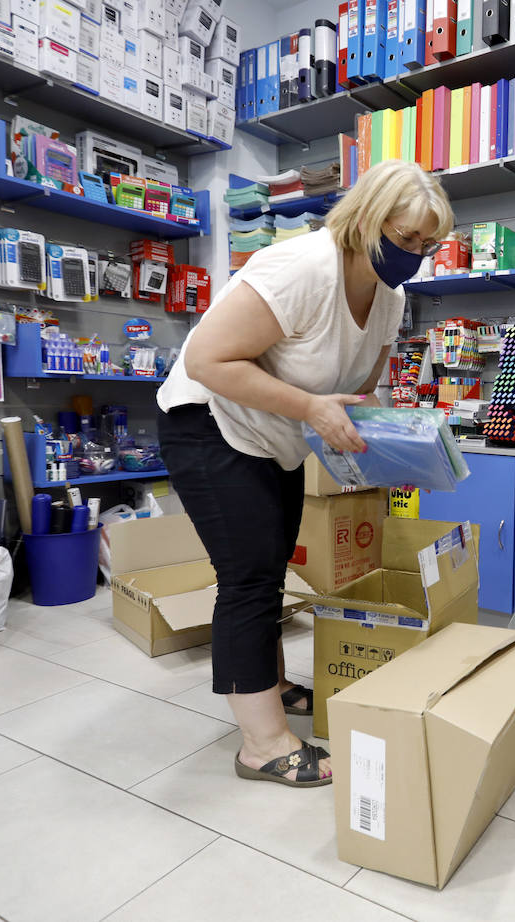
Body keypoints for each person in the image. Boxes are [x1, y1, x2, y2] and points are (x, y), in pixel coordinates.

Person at [157, 160, 453, 787]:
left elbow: (359, 393)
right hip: (210, 422)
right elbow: (208, 359)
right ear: (366, 219)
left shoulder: (390, 297)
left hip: (273, 433)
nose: (415, 255)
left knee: (270, 570)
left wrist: (392, 445)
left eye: (428, 244)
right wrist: (313, 410)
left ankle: (267, 686)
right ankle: (261, 746)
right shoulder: (300, 268)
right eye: (405, 239)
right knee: (248, 578)